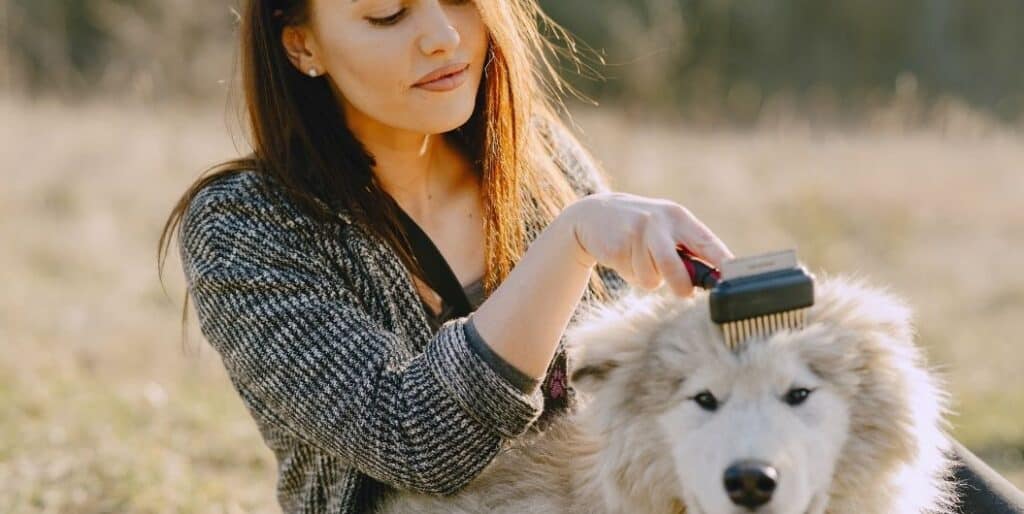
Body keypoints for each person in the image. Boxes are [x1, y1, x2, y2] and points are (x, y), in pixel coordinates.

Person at [157, 0, 1024, 512]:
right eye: (386, 13)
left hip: (601, 486)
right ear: (300, 43)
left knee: (876, 436)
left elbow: (634, 377)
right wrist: (570, 241)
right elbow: (410, 439)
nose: (443, 39)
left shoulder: (530, 159)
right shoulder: (248, 225)